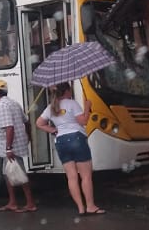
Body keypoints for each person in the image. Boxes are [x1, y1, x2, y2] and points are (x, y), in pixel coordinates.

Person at [36, 82, 103, 216]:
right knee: (85, 176)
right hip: (76, 139)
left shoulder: (50, 107)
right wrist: (87, 107)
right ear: (66, 91)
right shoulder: (72, 103)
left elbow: (39, 123)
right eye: (70, 90)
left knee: (71, 177)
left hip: (61, 141)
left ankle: (80, 208)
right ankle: (90, 206)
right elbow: (83, 121)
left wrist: (53, 129)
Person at [0, 78, 36, 212]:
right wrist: (28, 136)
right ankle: (12, 202)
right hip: (15, 144)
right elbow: (26, 121)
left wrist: (9, 148)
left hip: (10, 146)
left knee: (19, 173)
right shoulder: (14, 103)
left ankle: (30, 203)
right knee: (8, 173)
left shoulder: (2, 106)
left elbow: (9, 127)